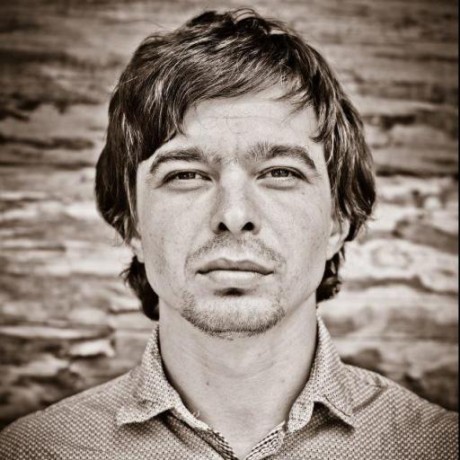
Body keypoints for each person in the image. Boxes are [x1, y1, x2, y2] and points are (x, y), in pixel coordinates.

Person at [0, 8, 457, 460]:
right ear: (132, 223)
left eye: (280, 172)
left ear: (338, 220)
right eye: (186, 175)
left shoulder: (437, 448)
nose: (234, 214)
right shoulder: (34, 452)